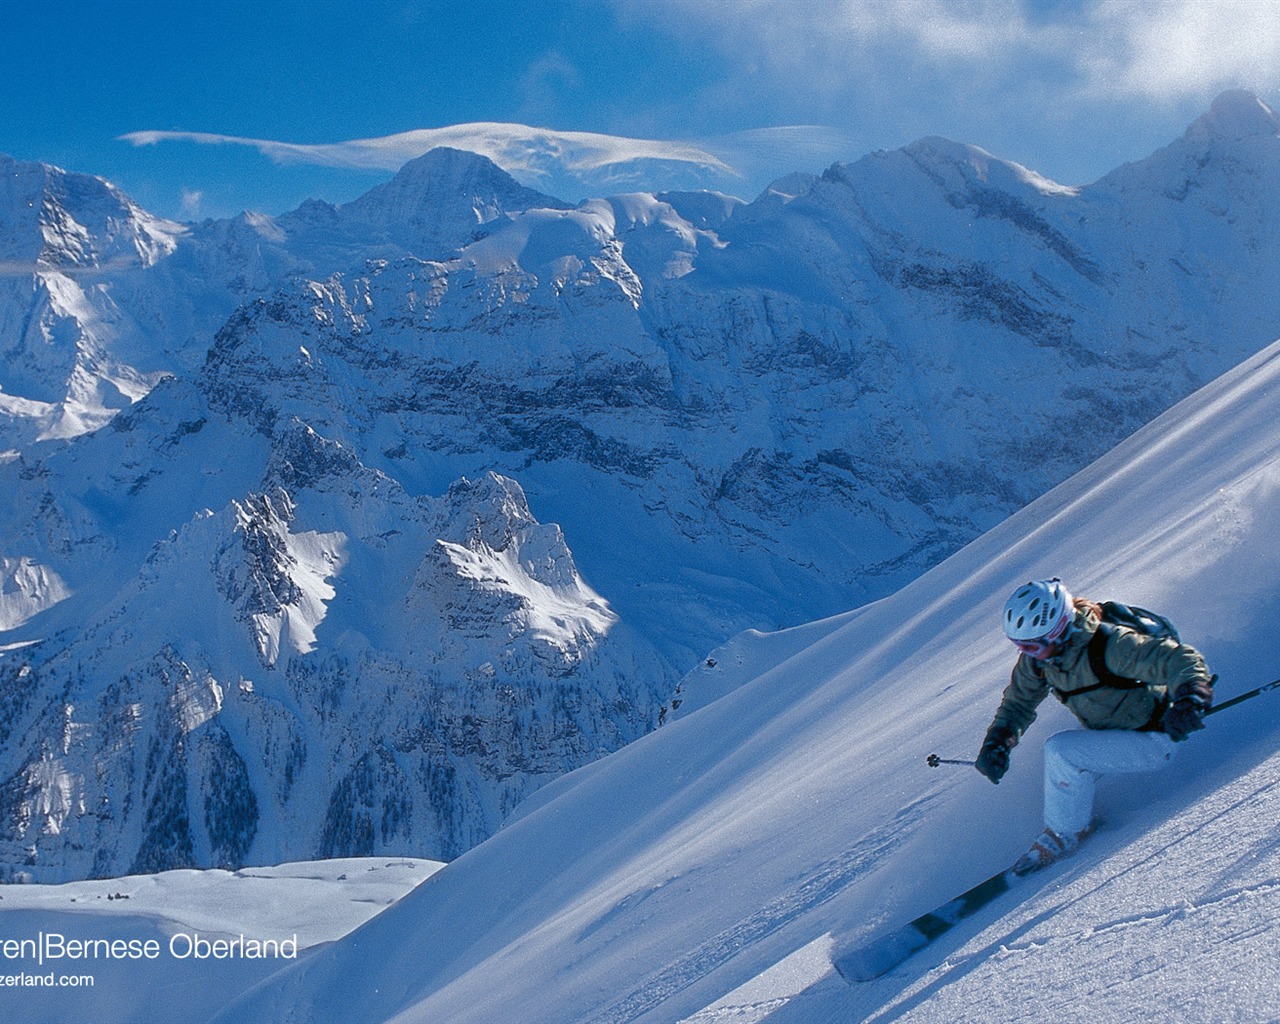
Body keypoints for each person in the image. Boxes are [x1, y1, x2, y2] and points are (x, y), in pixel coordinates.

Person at [975, 579, 1214, 875]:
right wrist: (998, 741)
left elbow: (1178, 658)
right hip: (1114, 735)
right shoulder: (1040, 660)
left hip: (1156, 739)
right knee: (1062, 769)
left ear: (1059, 629)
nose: (1030, 654)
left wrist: (1191, 697)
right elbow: (1018, 704)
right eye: (1021, 646)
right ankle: (1077, 816)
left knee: (1061, 752)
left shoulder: (1111, 646)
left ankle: (1065, 834)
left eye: (1034, 645)